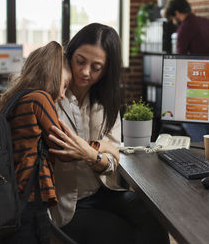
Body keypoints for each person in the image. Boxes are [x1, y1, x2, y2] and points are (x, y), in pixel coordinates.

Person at [47, 23, 170, 244]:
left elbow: (113, 160)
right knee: (125, 235)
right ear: (70, 54)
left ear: (106, 70)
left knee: (154, 220)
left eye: (96, 67)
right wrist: (100, 149)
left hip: (100, 191)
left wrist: (90, 154)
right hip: (65, 201)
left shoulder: (105, 102)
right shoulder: (53, 94)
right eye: (80, 61)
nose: (85, 72)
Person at [0, 41, 118, 244]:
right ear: (51, 74)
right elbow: (65, 146)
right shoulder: (40, 99)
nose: (62, 94)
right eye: (63, 85)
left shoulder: (12, 98)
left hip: (12, 192)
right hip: (31, 192)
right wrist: (105, 146)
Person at [165, 0, 209, 141]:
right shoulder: (207, 23)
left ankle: (201, 148)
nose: (174, 22)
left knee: (188, 118)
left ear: (176, 13)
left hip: (196, 81)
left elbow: (180, 61)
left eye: (172, 19)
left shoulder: (185, 27)